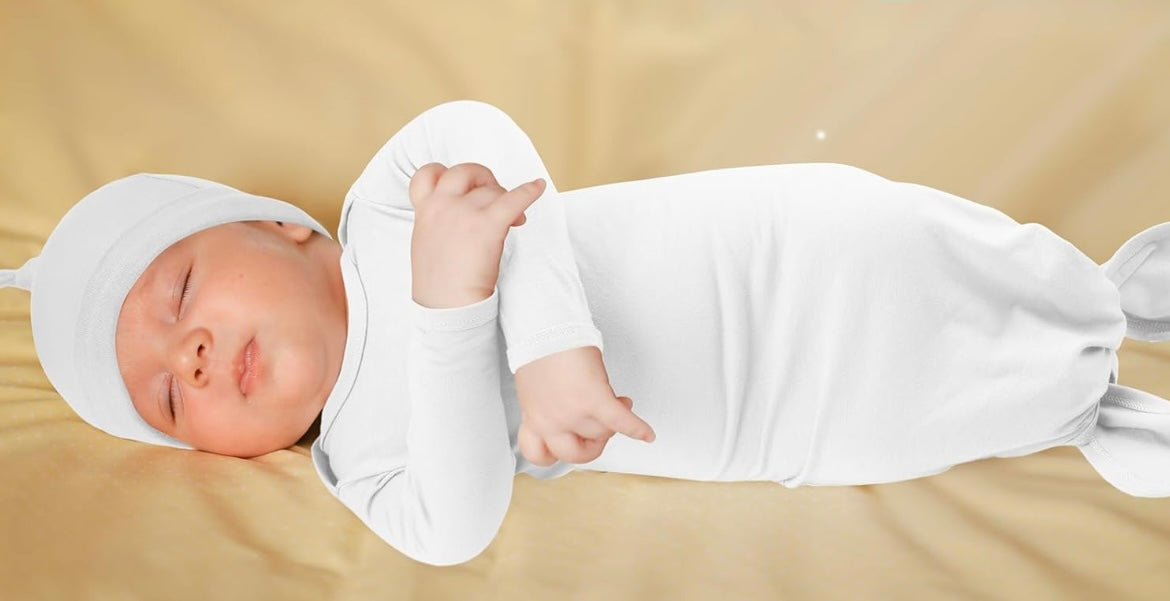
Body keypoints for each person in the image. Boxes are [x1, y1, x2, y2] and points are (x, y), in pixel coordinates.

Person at [2, 100, 1169, 567]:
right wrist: (459, 314)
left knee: (942, 254)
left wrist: (550, 338)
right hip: (790, 419)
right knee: (956, 410)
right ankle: (1089, 412)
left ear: (279, 229)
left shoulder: (386, 204)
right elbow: (455, 529)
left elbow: (477, 128)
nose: (191, 357)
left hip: (786, 247)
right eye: (166, 397)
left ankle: (1116, 299)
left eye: (180, 295)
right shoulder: (362, 464)